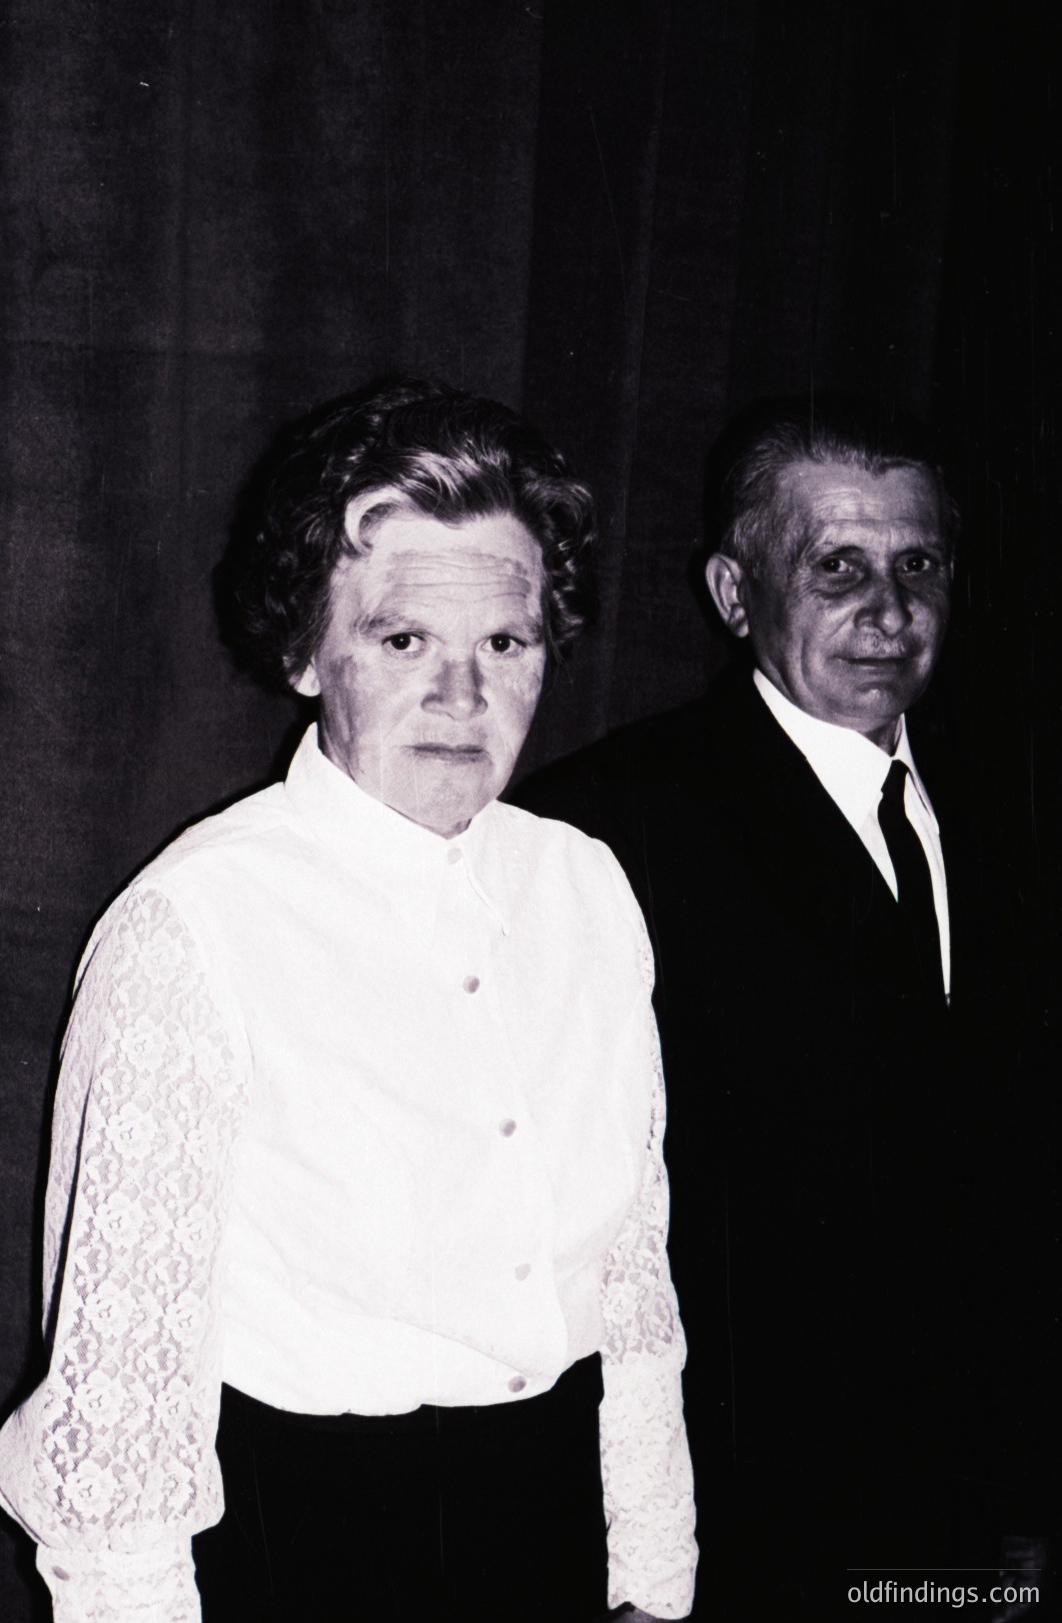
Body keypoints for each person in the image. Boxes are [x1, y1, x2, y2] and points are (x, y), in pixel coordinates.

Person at [0, 378, 697, 1623]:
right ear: (306, 652)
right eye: (403, 640)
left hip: (546, 1539)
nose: (462, 699)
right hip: (300, 1551)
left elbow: (632, 1288)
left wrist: (651, 1582)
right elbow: (118, 1431)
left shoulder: (586, 889)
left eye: (505, 645)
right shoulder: (194, 930)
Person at [517, 398, 1054, 1615]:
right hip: (739, 1520)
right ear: (734, 591)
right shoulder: (605, 828)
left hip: (970, 1518)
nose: (890, 609)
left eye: (918, 564)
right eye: (838, 568)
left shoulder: (1014, 802)